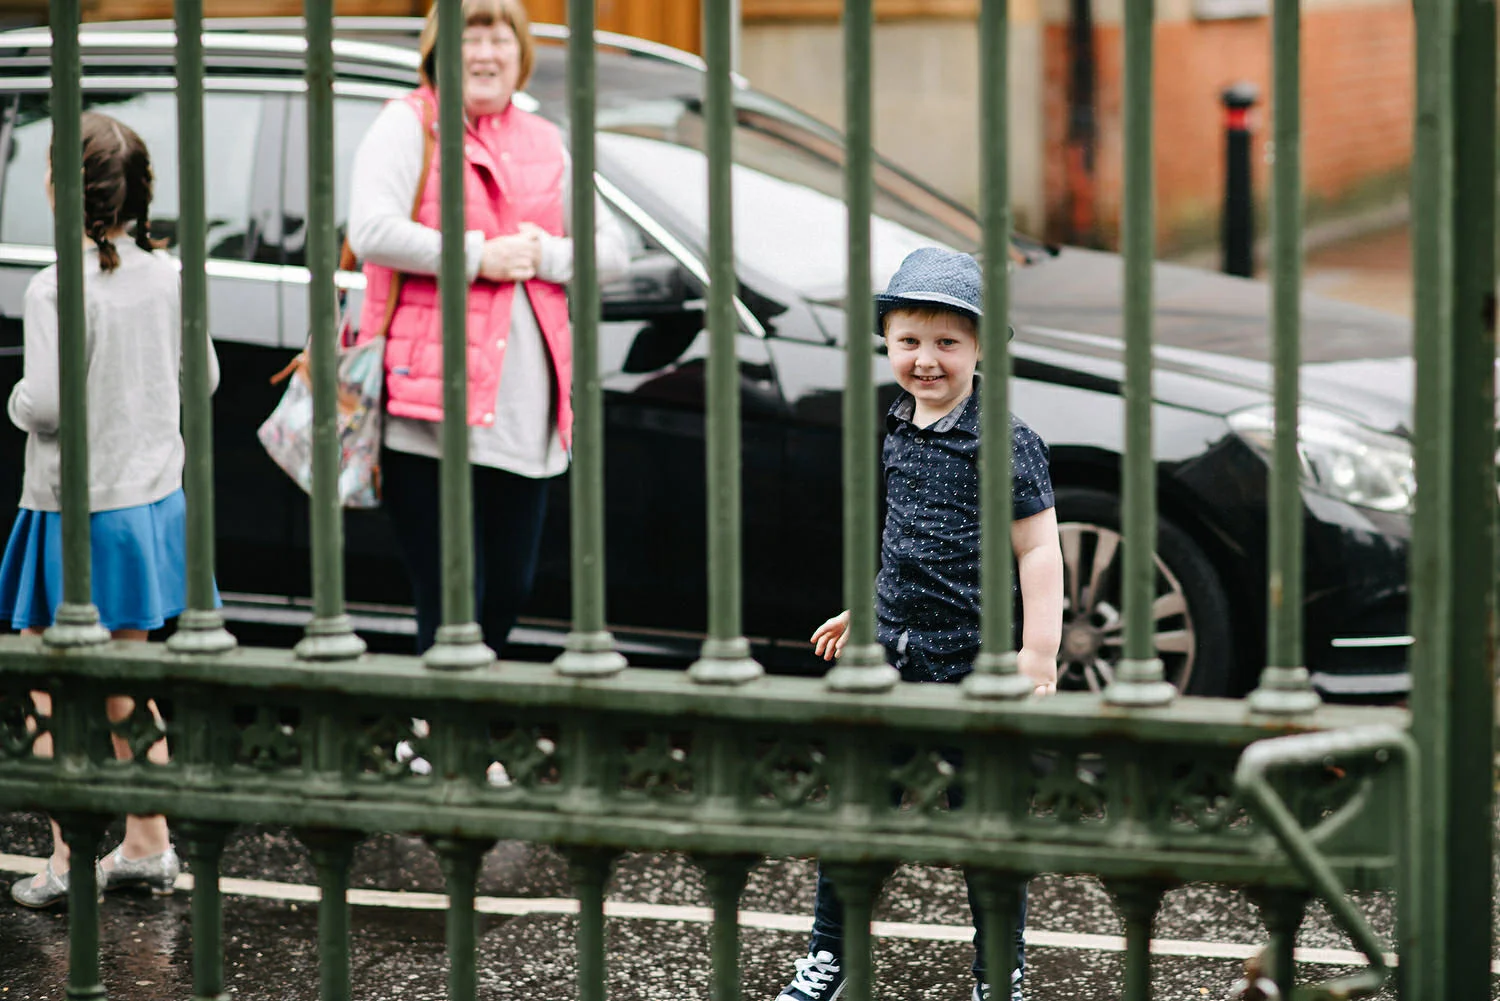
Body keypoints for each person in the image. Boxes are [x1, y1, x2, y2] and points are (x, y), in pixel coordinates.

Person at [775, 248, 1064, 1001]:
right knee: (857, 815)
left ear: (980, 347)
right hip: (894, 658)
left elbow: (1038, 549)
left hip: (974, 664)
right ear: (886, 341)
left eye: (947, 342)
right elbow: (905, 541)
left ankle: (999, 973)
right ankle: (830, 955)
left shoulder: (1006, 439)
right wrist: (870, 607)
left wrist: (1038, 652)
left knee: (987, 830)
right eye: (908, 340)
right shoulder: (901, 423)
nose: (925, 359)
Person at [347, 0, 627, 657]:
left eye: (499, 39)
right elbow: (370, 229)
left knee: (510, 586)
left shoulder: (542, 140)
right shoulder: (407, 124)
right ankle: (444, 717)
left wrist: (544, 253)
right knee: (453, 596)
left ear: (520, 55)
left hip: (523, 411)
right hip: (428, 412)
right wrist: (478, 255)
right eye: (469, 38)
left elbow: (611, 250)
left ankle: (462, 710)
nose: (484, 54)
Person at [0, 112, 218, 908]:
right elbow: (205, 378)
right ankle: (147, 843)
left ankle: (69, 855)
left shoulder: (55, 285)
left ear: (61, 188)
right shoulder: (169, 275)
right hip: (150, 499)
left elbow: (49, 405)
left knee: (47, 677)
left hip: (75, 507)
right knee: (123, 675)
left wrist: (17, 399)